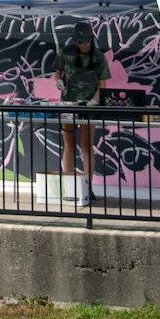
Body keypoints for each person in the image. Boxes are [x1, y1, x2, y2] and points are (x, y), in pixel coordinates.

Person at [54, 21, 109, 205]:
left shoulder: (99, 57)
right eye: (80, 42)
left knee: (86, 145)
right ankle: (69, 186)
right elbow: (58, 72)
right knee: (69, 144)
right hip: (69, 103)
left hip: (88, 106)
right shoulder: (66, 52)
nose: (83, 45)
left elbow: (103, 84)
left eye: (85, 41)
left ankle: (87, 186)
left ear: (91, 39)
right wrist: (58, 82)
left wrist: (94, 100)